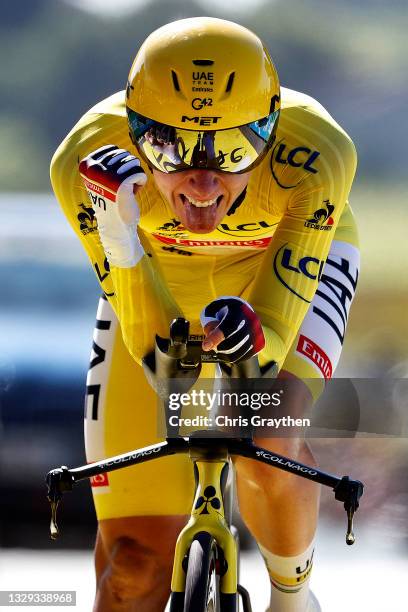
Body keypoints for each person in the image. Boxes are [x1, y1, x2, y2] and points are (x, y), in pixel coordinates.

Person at [50, 17, 359, 612]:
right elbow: (154, 352)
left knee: (263, 431)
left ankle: (294, 598)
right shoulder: (86, 159)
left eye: (236, 150)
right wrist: (121, 243)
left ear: (270, 131)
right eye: (169, 148)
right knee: (133, 565)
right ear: (135, 132)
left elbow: (270, 336)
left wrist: (254, 345)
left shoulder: (318, 153)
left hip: (274, 271)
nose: (202, 183)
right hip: (154, 275)